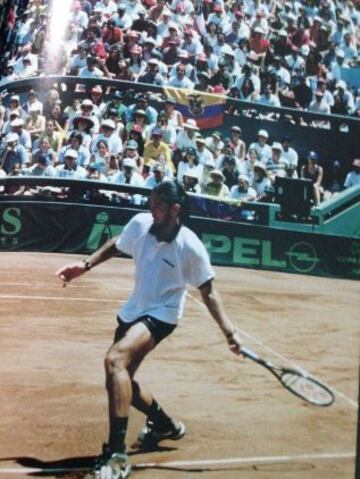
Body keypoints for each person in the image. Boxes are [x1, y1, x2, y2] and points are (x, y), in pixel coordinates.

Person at [56, 181, 241, 479]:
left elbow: (208, 291)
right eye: (151, 203)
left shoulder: (190, 246)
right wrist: (85, 264)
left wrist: (230, 333)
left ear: (175, 209)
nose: (151, 209)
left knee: (115, 361)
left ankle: (116, 455)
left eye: (157, 205)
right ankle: (164, 424)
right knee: (120, 382)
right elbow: (118, 244)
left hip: (163, 314)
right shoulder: (141, 223)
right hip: (134, 309)